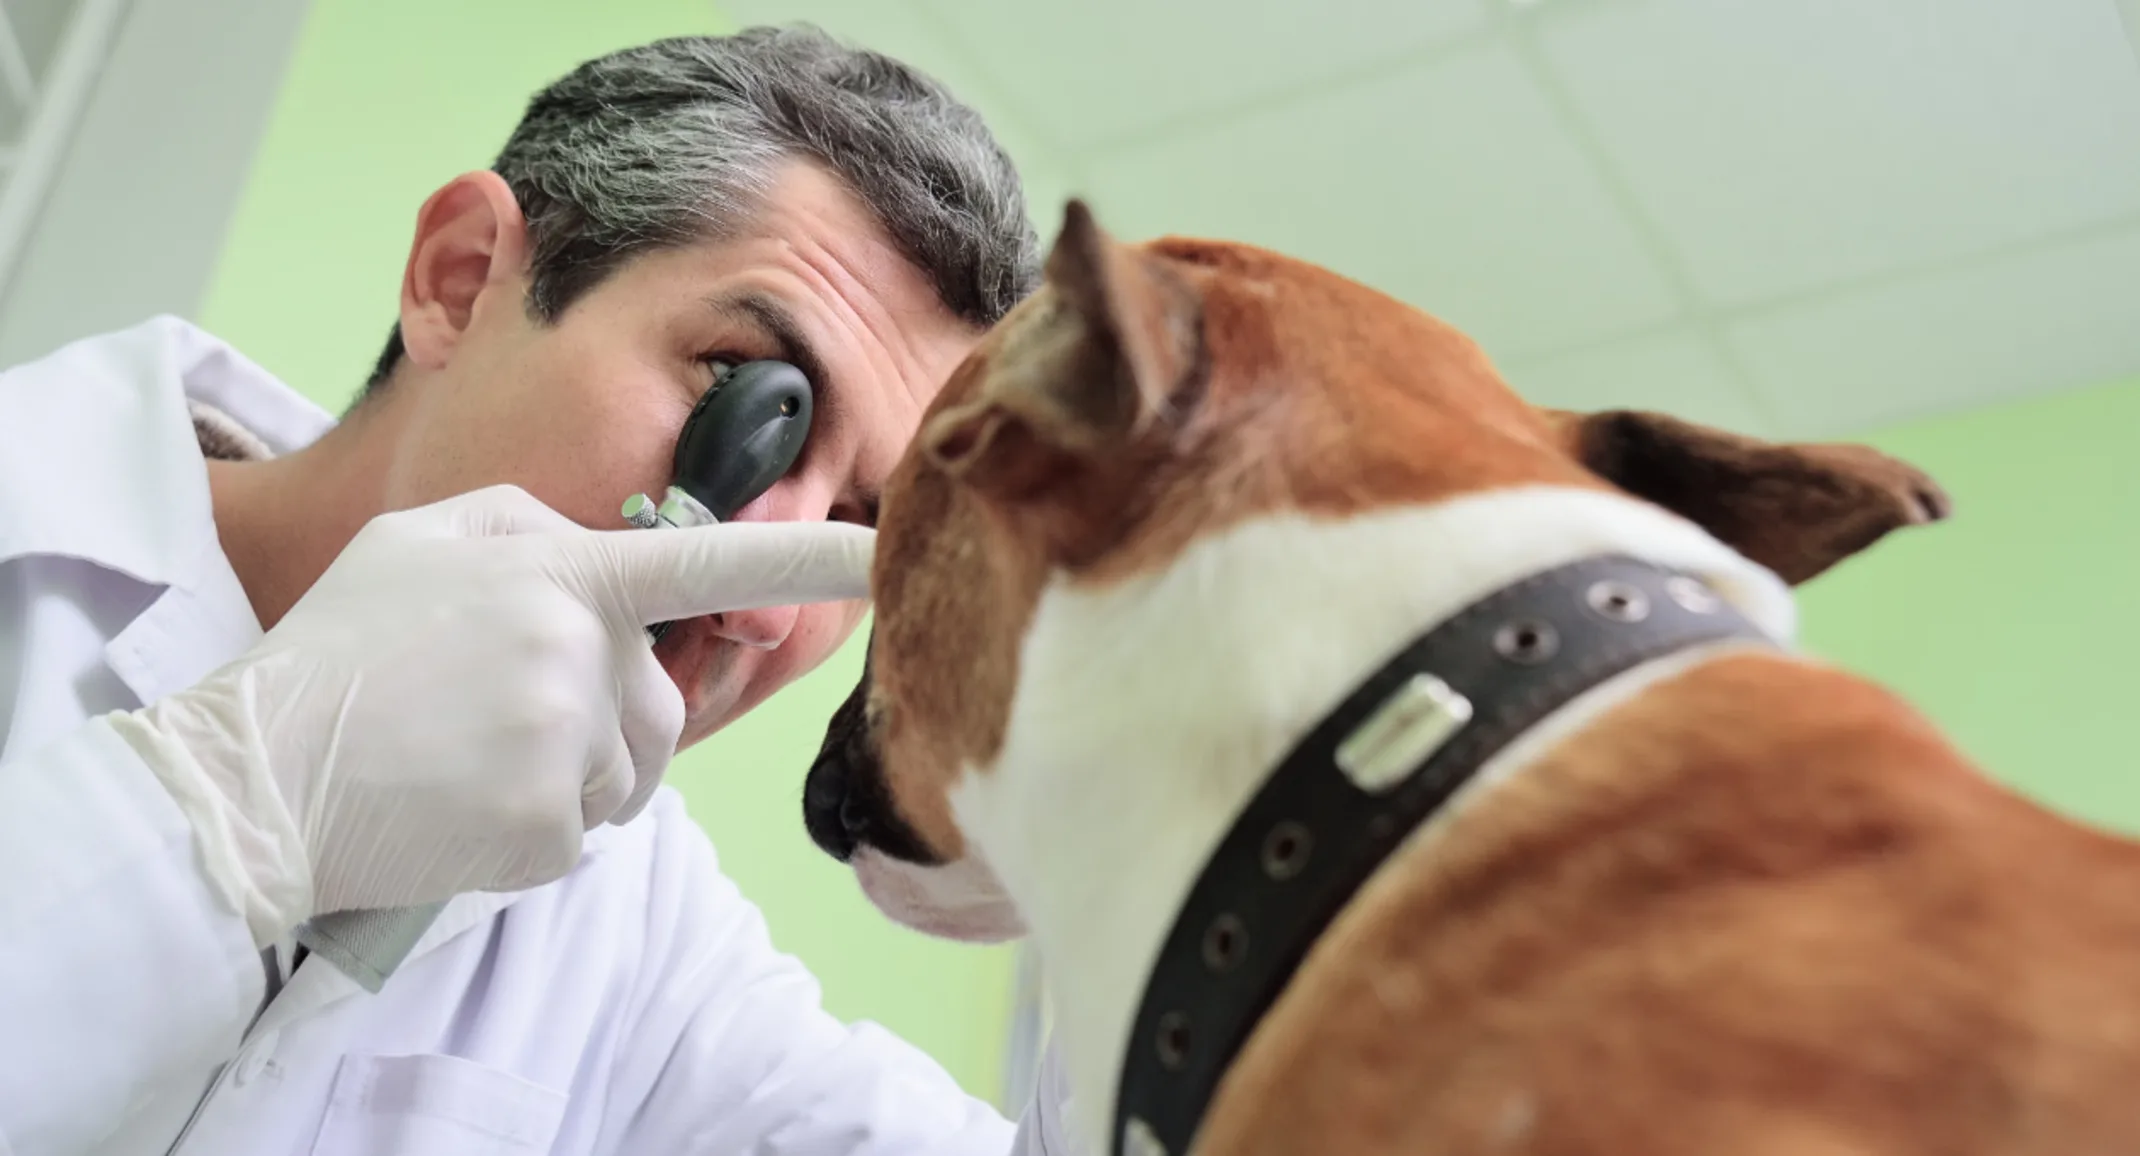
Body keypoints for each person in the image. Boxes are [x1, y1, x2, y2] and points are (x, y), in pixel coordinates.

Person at [0, 26, 1078, 1156]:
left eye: (868, 525)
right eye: (746, 391)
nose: (764, 610)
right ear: (460, 280)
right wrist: (238, 804)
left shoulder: (637, 926)